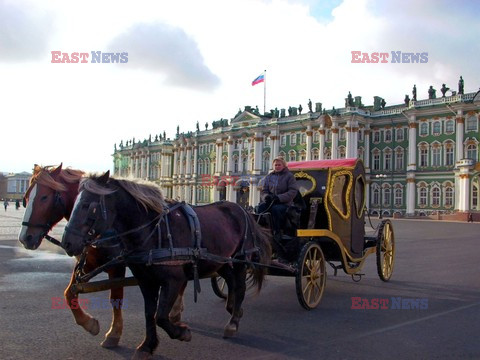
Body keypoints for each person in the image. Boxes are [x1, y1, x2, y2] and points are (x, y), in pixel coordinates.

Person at [257, 157, 299, 246]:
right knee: (260, 208)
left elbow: (293, 191)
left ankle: (278, 232)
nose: (277, 166)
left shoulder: (289, 176)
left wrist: (279, 198)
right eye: (275, 165)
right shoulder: (269, 177)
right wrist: (266, 197)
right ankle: (260, 231)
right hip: (271, 202)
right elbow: (264, 190)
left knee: (276, 210)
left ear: (284, 165)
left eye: (279, 165)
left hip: (285, 203)